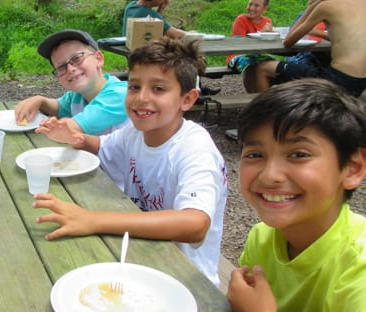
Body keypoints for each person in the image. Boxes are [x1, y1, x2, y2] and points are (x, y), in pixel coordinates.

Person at [33, 37, 228, 286]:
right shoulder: (136, 132)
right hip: (139, 251)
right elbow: (102, 146)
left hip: (186, 276)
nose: (141, 98)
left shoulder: (194, 148)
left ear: (187, 100)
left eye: (158, 89)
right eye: (134, 87)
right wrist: (74, 137)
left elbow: (195, 224)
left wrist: (93, 219)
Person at [227, 78, 366, 312]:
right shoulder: (262, 238)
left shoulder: (359, 267)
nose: (270, 175)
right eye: (254, 155)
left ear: (353, 168)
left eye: (299, 154)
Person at [14, 30, 129, 137]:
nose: (70, 68)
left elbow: (75, 126)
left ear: (98, 59)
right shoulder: (77, 95)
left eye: (77, 58)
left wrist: (49, 125)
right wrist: (40, 100)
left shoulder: (120, 94)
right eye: (61, 67)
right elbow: (58, 107)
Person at [249, 0, 366, 96]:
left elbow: (288, 41)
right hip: (362, 81)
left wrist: (311, 7)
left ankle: (265, 118)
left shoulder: (327, 5)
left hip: (338, 79)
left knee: (262, 68)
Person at [226, 0, 278, 92]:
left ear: (265, 8)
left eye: (256, 5)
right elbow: (239, 44)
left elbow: (267, 44)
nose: (251, 8)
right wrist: (261, 32)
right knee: (249, 65)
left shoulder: (267, 21)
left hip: (258, 54)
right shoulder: (241, 19)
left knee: (275, 64)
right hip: (237, 55)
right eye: (250, 4)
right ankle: (252, 97)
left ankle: (266, 94)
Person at [121, 0, 187, 39]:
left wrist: (161, 8)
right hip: (143, 55)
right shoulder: (149, 13)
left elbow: (157, 25)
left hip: (130, 49)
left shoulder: (132, 5)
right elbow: (176, 35)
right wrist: (193, 34)